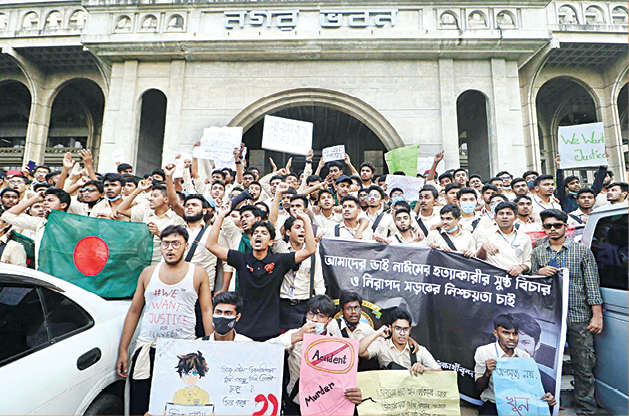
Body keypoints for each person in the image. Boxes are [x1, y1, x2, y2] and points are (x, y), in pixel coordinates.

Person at [116, 225, 213, 416]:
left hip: (182, 351)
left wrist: (211, 348)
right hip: (147, 348)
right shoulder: (148, 273)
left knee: (176, 404)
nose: (170, 248)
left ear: (186, 245)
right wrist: (123, 349)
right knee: (140, 403)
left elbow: (206, 309)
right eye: (165, 243)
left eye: (175, 243)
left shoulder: (198, 273)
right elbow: (134, 311)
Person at [207, 203, 316, 341]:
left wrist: (305, 219)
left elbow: (310, 250)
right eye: (255, 233)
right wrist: (221, 216)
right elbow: (211, 245)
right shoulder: (241, 258)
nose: (258, 235)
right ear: (251, 240)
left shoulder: (280, 260)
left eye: (264, 233)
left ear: (271, 242)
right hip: (242, 328)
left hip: (269, 328)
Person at [531, 209, 603, 415]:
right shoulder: (538, 252)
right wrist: (538, 273)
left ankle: (586, 410)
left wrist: (597, 315)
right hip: (549, 317)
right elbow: (533, 285)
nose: (553, 229)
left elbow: (592, 284)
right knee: (544, 364)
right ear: (543, 228)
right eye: (548, 226)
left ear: (566, 226)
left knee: (584, 364)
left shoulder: (581, 251)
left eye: (557, 225)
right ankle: (548, 406)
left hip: (578, 315)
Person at [267, 295, 363, 415]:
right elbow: (266, 350)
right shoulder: (296, 334)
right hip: (296, 404)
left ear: (329, 321)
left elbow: (345, 379)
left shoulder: (338, 345)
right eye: (311, 314)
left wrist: (354, 394)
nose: (315, 319)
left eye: (321, 316)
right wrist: (297, 336)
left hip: (325, 407)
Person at [474, 313, 556, 415]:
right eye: (506, 333)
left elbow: (530, 389)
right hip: (494, 403)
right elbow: (478, 388)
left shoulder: (524, 356)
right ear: (496, 333)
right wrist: (487, 374)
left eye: (515, 334)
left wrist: (546, 398)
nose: (511, 338)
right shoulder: (484, 352)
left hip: (521, 404)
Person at [275, 215, 326, 330]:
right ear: (288, 232)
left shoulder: (313, 254)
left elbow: (318, 282)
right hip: (282, 303)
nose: (302, 230)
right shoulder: (281, 250)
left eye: (304, 228)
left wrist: (319, 307)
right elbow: (273, 226)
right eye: (297, 227)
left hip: (304, 305)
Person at [358, 308, 441, 375]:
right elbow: (359, 351)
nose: (402, 333)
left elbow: (440, 372)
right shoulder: (382, 345)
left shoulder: (419, 350)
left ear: (410, 329)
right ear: (390, 328)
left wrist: (423, 369)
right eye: (398, 328)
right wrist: (378, 333)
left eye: (405, 329)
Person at [1, 187, 71, 265]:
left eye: (50, 200)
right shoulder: (40, 223)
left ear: (63, 205)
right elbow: (7, 216)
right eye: (44, 200)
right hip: (42, 268)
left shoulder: (73, 224)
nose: (45, 203)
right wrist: (34, 199)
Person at [476, 201, 531, 277]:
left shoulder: (524, 238)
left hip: (515, 279)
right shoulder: (485, 234)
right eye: (501, 214)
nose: (504, 217)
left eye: (508, 214)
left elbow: (528, 263)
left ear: (516, 217)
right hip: (491, 278)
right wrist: (483, 248)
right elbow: (477, 260)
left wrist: (521, 268)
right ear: (495, 217)